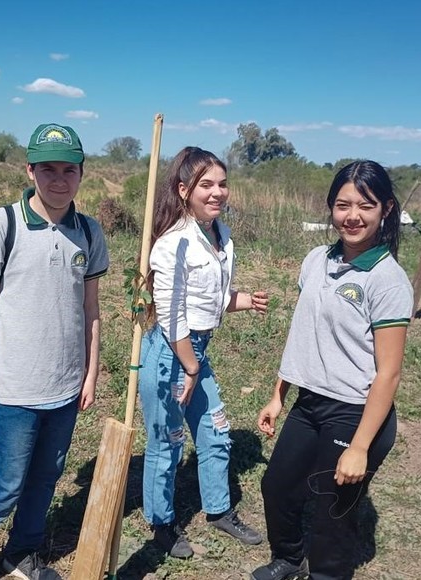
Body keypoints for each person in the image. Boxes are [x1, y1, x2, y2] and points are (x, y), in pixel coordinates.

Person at [0, 123, 109, 580]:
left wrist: (90, 375)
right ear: (29, 170)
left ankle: (21, 555)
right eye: (47, 169)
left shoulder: (89, 233)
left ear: (81, 174)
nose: (58, 180)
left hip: (67, 386)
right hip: (14, 387)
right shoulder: (1, 225)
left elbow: (91, 310)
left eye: (69, 170)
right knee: (5, 484)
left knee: (46, 479)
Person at [252, 160, 412, 580]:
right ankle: (287, 560)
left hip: (356, 410)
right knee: (278, 488)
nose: (352, 216)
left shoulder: (387, 280)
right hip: (309, 403)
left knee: (332, 513)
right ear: (330, 208)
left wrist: (359, 446)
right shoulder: (315, 260)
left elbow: (389, 373)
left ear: (387, 210)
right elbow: (304, 335)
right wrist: (278, 394)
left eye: (366, 205)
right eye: (343, 205)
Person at [139, 146, 269, 559]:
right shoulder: (172, 243)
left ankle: (218, 510)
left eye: (222, 183)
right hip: (169, 353)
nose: (217, 192)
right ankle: (161, 525)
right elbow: (171, 314)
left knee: (216, 432)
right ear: (183, 190)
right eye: (206, 185)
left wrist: (245, 299)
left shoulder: (221, 236)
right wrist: (191, 367)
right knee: (167, 443)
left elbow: (208, 300)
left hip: (196, 351)